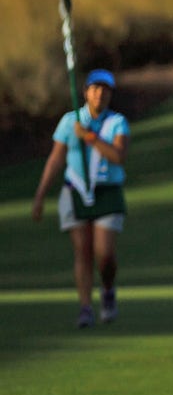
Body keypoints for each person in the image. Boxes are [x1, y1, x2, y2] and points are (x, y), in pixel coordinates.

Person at [31, 69, 130, 328]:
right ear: (85, 92)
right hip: (74, 190)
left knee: (104, 254)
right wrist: (40, 195)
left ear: (110, 94)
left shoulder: (116, 123)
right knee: (83, 251)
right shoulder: (69, 122)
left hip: (107, 191)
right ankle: (85, 307)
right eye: (95, 89)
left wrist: (89, 137)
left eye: (105, 90)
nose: (99, 94)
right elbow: (56, 159)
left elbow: (118, 156)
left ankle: (107, 291)